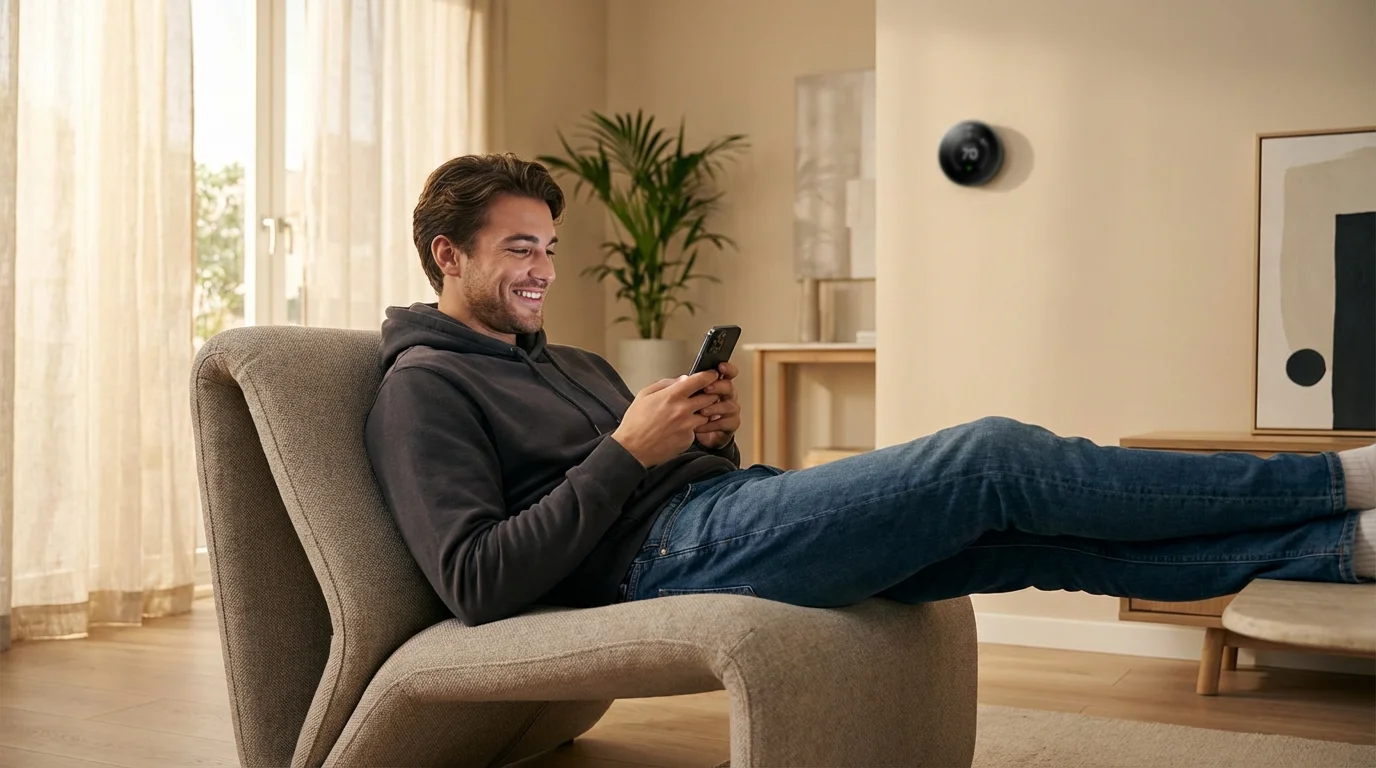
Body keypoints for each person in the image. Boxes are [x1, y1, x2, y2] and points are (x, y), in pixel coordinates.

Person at [364, 153, 1376, 628]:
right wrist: (628, 450)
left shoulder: (570, 360)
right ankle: (1327, 487)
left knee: (1024, 541)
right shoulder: (422, 389)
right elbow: (476, 582)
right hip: (660, 565)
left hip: (719, 512)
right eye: (515, 250)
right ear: (447, 255)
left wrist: (698, 436)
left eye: (548, 247)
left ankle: (1339, 549)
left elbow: (651, 471)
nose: (541, 270)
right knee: (987, 457)